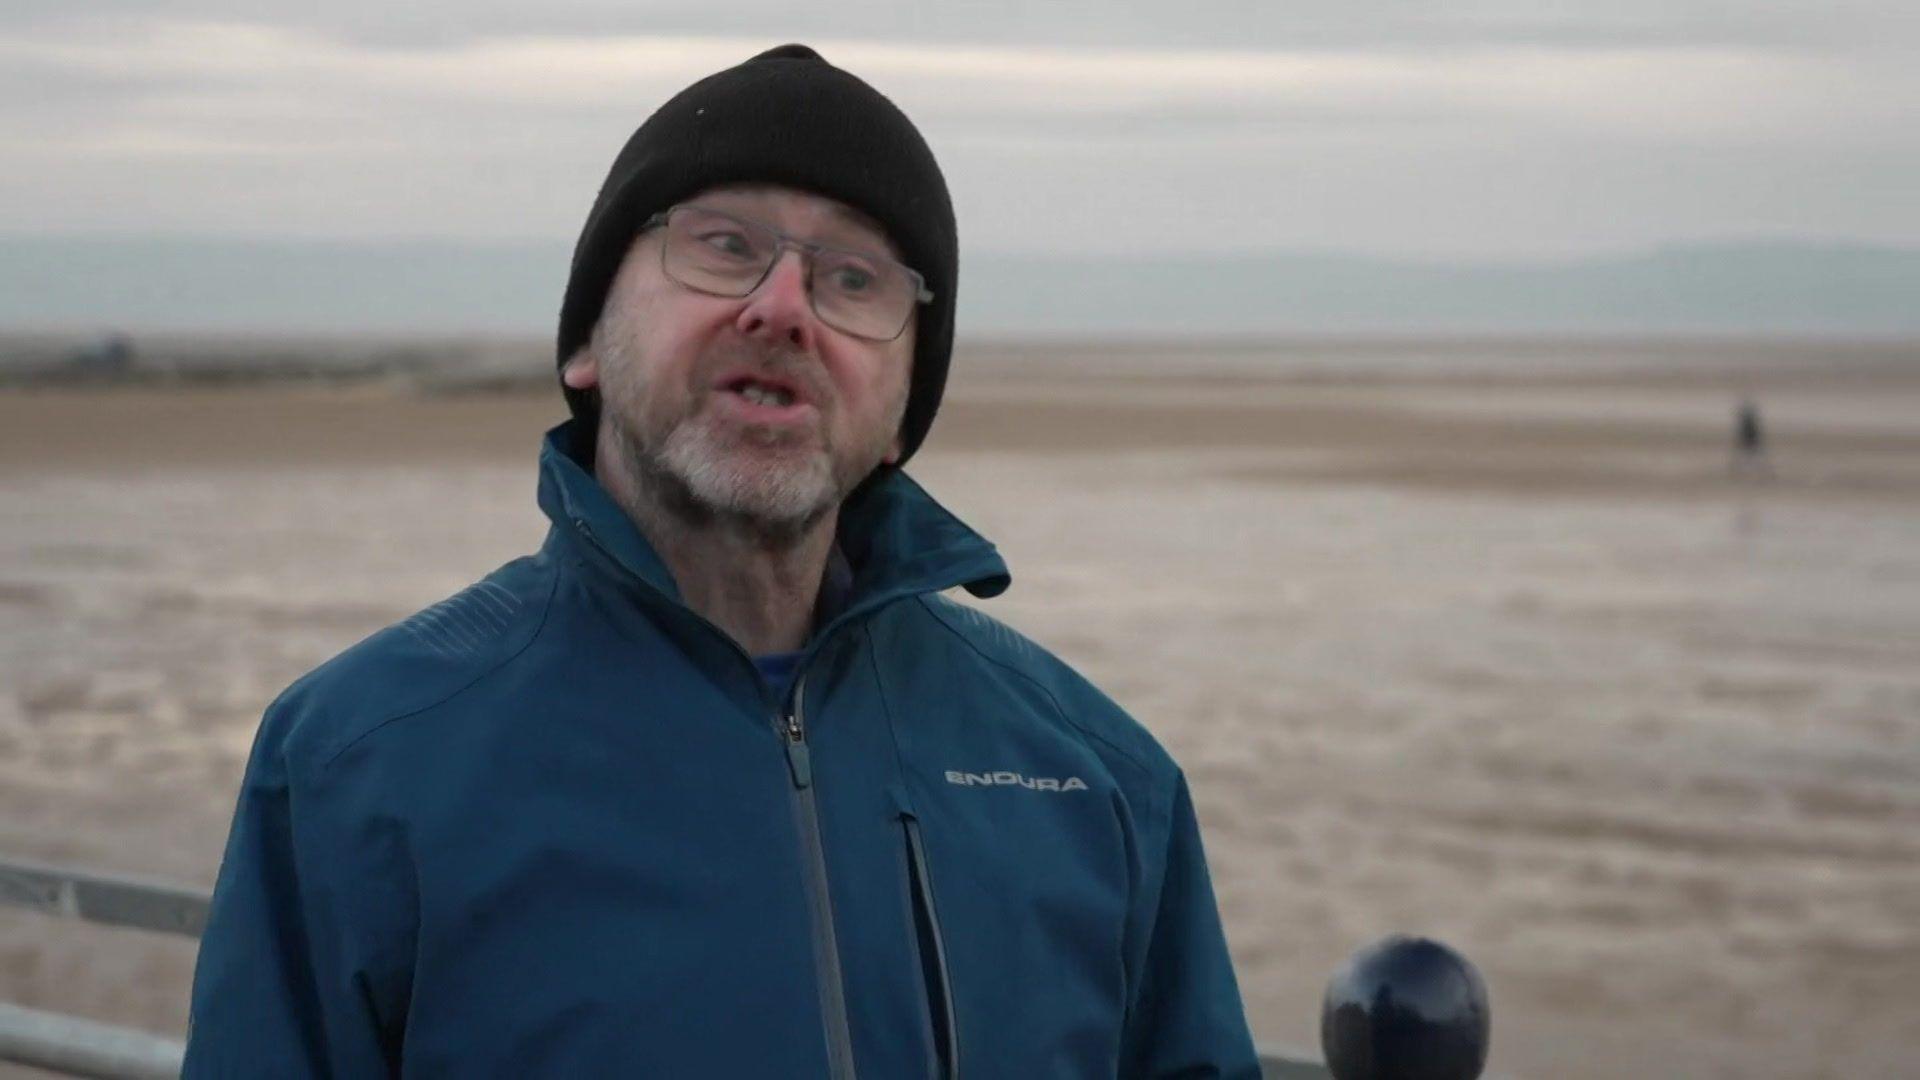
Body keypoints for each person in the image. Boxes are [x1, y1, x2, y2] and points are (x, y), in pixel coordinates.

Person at [183, 44, 1259, 1078]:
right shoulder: (359, 763)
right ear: (586, 342)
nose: (782, 309)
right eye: (724, 245)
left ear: (901, 413)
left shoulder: (1097, 779)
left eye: (854, 279)